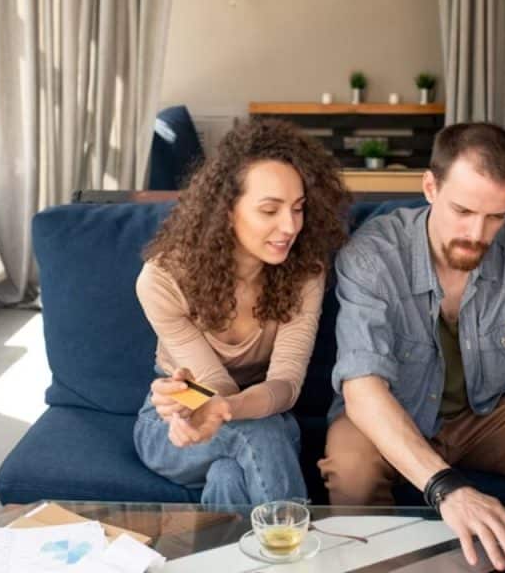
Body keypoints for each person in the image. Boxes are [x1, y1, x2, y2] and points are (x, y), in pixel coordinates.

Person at [318, 122, 505, 571]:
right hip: (393, 412)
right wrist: (445, 487)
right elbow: (362, 387)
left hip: (492, 412)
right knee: (350, 465)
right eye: (462, 210)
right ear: (429, 186)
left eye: (496, 216)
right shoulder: (373, 253)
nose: (478, 233)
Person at [134, 119, 349, 505]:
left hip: (262, 410)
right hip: (180, 420)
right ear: (227, 210)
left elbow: (286, 384)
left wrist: (229, 408)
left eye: (298, 209)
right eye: (270, 210)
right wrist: (215, 406)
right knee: (262, 432)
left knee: (228, 476)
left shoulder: (305, 272)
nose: (290, 227)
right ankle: (298, 559)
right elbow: (213, 389)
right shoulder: (162, 279)